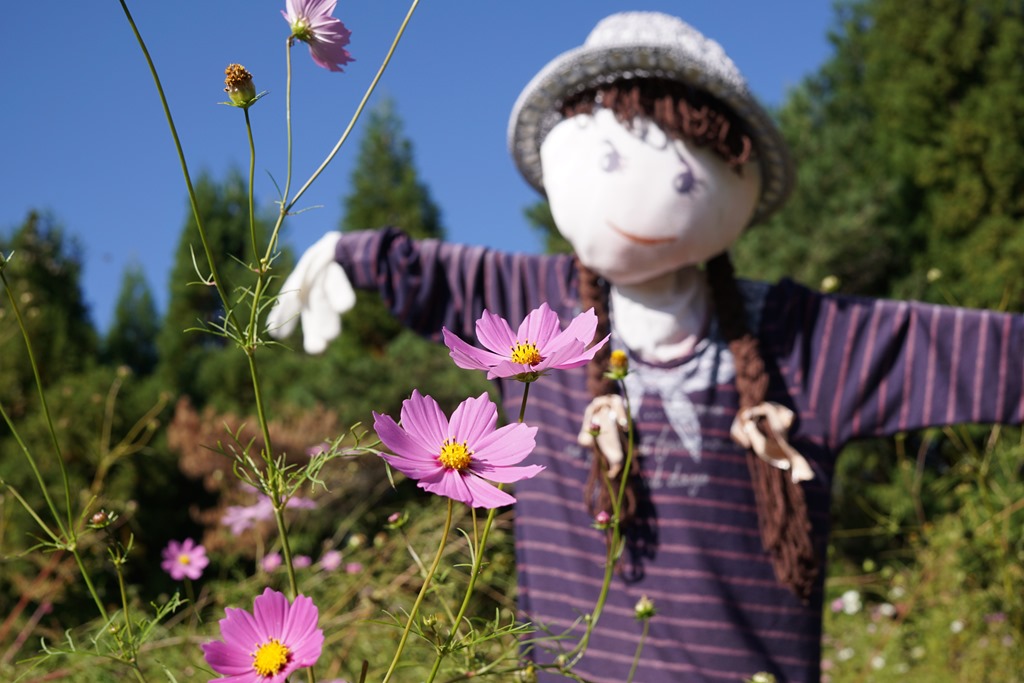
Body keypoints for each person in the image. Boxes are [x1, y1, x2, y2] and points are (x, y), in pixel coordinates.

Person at [269, 12, 1024, 682]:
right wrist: (344, 253)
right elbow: (425, 269)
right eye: (609, 155)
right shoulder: (527, 305)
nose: (644, 186)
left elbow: (975, 352)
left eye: (685, 162)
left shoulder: (799, 334)